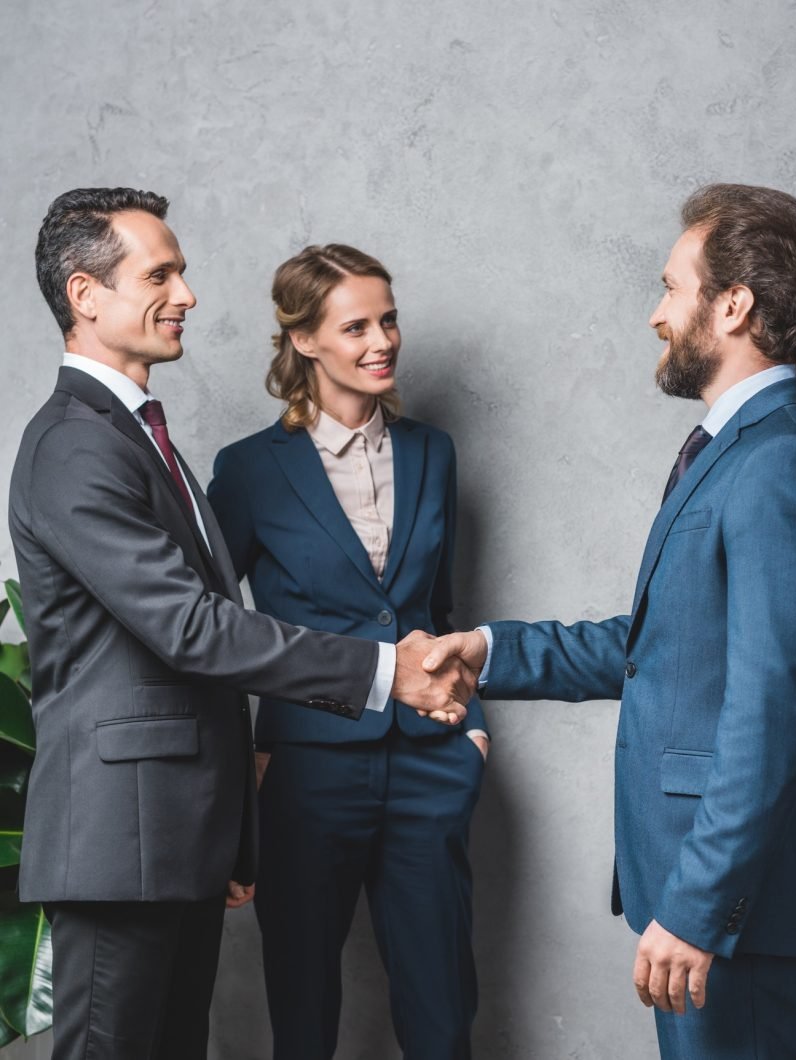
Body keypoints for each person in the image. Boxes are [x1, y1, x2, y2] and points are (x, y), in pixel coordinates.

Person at [8, 188, 474, 1060]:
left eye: (181, 272)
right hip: (122, 842)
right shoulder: (76, 441)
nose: (187, 294)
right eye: (161, 274)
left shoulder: (137, 431)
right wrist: (384, 673)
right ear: (85, 295)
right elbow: (193, 627)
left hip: (173, 834)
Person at [423, 184, 796, 1058]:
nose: (656, 315)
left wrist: (698, 906)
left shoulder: (778, 464)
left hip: (728, 918)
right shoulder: (738, 453)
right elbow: (661, 652)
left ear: (734, 304)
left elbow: (774, 708)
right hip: (702, 904)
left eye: (672, 288)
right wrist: (488, 651)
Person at [207, 243, 488, 1060]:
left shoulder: (434, 452)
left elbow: (442, 608)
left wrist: (471, 731)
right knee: (302, 1010)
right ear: (303, 340)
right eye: (356, 325)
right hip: (304, 772)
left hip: (431, 762)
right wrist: (248, 758)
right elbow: (216, 630)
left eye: (389, 319)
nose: (383, 341)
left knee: (442, 1010)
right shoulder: (251, 471)